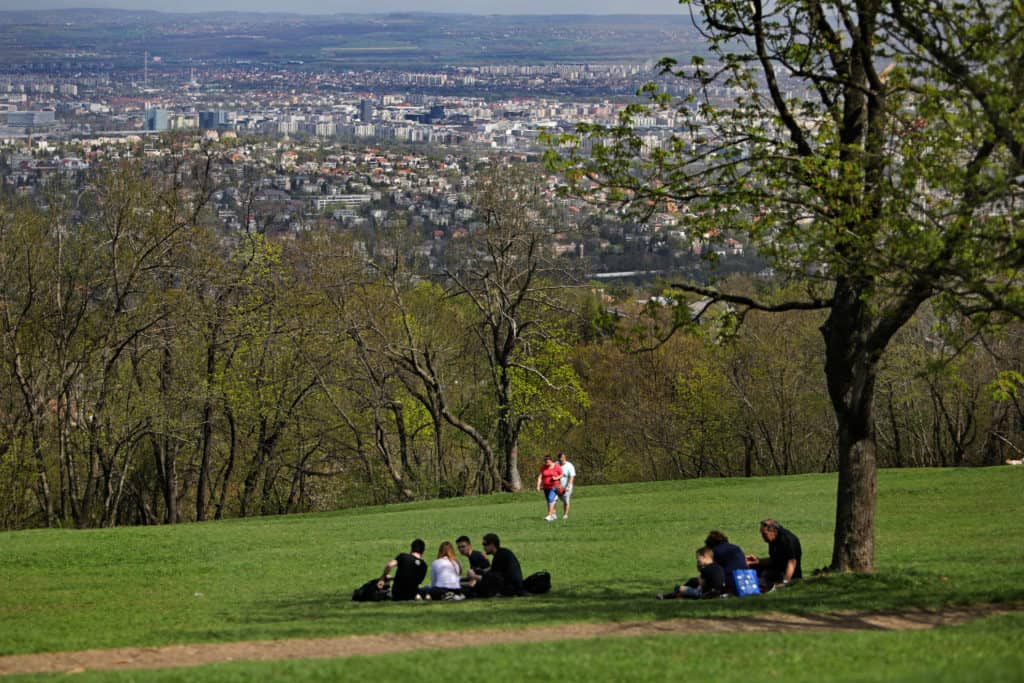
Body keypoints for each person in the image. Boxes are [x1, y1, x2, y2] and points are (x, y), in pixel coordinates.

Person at [746, 518, 802, 589]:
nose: (762, 537)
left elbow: (792, 562)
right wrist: (757, 561)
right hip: (777, 568)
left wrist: (785, 582)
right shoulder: (773, 539)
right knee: (753, 568)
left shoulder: (787, 540)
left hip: (786, 574)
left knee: (765, 575)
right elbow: (774, 560)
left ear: (774, 531)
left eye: (764, 534)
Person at [657, 546, 726, 599]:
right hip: (719, 591)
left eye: (698, 558)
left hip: (705, 594)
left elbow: (701, 585)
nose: (697, 560)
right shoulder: (719, 567)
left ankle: (667, 596)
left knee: (679, 588)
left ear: (705, 556)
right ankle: (672, 595)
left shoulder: (705, 569)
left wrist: (699, 570)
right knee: (693, 581)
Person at [704, 530, 747, 595]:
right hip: (745, 581)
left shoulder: (714, 551)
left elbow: (712, 572)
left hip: (730, 584)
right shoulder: (735, 547)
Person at [535, 455, 564, 521]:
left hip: (555, 486)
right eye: (545, 462)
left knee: (550, 499)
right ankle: (553, 514)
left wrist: (556, 478)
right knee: (549, 501)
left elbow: (562, 474)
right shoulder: (543, 467)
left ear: (551, 461)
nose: (546, 463)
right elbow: (540, 477)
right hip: (546, 487)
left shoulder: (557, 466)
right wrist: (538, 486)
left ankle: (549, 515)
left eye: (548, 462)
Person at [557, 452, 576, 519]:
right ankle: (553, 514)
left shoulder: (569, 466)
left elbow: (572, 476)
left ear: (565, 458)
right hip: (557, 486)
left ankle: (565, 515)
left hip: (567, 486)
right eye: (560, 458)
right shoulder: (556, 464)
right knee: (554, 499)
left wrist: (568, 486)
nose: (561, 459)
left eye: (562, 458)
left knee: (566, 501)